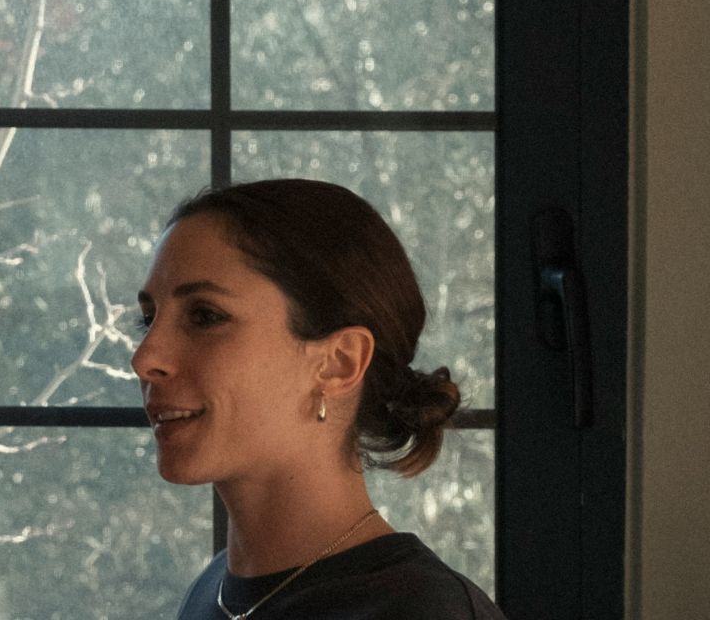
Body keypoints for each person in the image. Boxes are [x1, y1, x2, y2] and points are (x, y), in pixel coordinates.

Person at [133, 178, 505, 620]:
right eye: (148, 320)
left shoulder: (424, 612)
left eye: (205, 316)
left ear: (340, 362)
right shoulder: (212, 593)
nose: (145, 358)